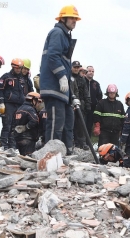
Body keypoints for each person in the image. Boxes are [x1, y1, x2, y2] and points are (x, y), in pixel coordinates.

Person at [39, 5, 81, 155]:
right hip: (53, 86)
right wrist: (61, 76)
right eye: (72, 18)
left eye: (75, 19)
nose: (74, 21)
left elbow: (63, 62)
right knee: (56, 123)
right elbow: (53, 57)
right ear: (63, 18)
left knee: (67, 122)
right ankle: (50, 155)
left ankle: (65, 154)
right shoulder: (57, 33)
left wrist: (71, 94)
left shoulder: (65, 35)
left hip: (62, 89)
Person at [0, 58, 25, 150]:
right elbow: (0, 90)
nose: (18, 70)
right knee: (7, 125)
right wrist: (1, 103)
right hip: (8, 104)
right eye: (17, 68)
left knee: (15, 126)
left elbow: (22, 92)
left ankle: (12, 146)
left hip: (18, 105)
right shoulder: (6, 77)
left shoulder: (21, 79)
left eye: (20, 68)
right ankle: (3, 144)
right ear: (13, 67)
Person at [71, 61, 91, 150]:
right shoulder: (69, 77)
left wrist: (88, 104)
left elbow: (86, 92)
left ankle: (82, 143)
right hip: (71, 103)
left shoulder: (82, 79)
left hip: (81, 103)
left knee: (81, 124)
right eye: (75, 67)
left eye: (77, 67)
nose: (76, 69)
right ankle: (72, 142)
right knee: (71, 123)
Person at [85, 65, 103, 136]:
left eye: (92, 71)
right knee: (81, 125)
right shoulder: (82, 81)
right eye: (89, 71)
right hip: (83, 107)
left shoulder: (96, 84)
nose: (91, 73)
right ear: (86, 72)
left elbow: (100, 96)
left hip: (92, 108)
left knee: (89, 126)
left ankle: (87, 143)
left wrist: (97, 104)